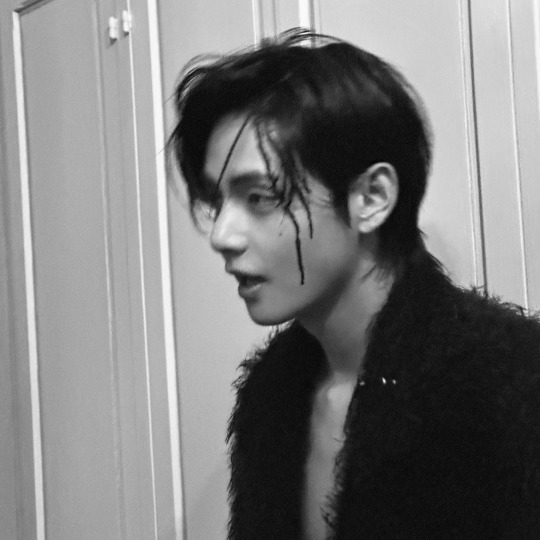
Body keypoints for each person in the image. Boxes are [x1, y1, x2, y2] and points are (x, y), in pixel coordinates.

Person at [168, 29, 540, 539]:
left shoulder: (512, 386)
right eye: (217, 201)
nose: (221, 235)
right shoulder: (272, 397)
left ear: (371, 198)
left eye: (260, 197)